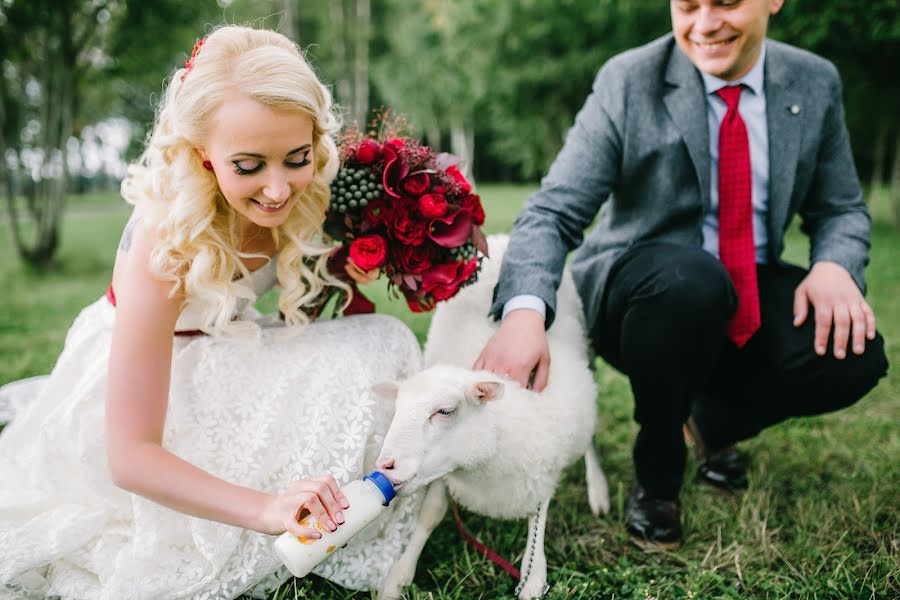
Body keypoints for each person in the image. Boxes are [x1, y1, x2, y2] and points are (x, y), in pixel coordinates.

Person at [0, 26, 424, 599]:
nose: (278, 190)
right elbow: (130, 456)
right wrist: (267, 509)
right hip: (150, 389)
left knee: (386, 342)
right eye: (248, 166)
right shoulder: (164, 238)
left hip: (228, 347)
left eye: (297, 158)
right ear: (202, 154)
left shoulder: (314, 186)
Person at [476, 0, 889, 548]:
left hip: (747, 283)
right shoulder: (629, 80)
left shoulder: (814, 82)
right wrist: (524, 313)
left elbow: (839, 207)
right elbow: (553, 212)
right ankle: (657, 471)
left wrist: (834, 264)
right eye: (687, 5)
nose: (704, 24)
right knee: (689, 283)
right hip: (643, 290)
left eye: (726, 2)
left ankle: (712, 420)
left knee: (855, 356)